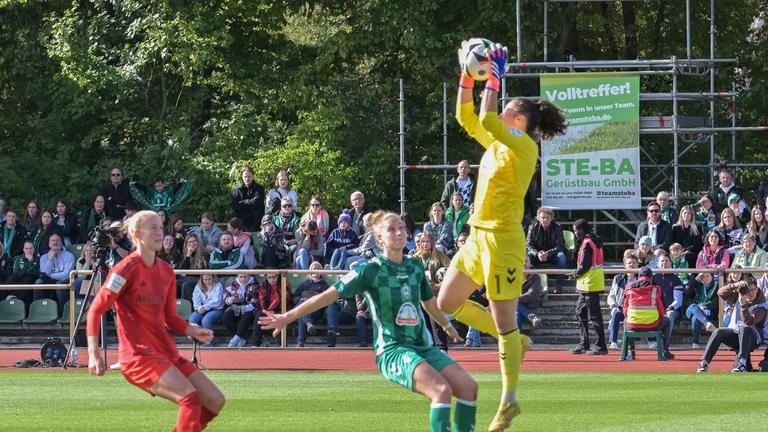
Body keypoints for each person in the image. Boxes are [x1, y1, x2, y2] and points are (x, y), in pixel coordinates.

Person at [437, 42, 566, 432]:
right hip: (477, 237)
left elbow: (488, 119)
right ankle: (514, 343)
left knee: (504, 319)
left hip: (505, 241)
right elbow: (465, 116)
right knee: (448, 302)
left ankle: (509, 400)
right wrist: (466, 73)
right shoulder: (497, 143)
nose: (501, 108)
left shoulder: (524, 146)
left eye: (508, 107)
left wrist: (493, 76)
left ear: (521, 121)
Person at [259, 211, 477, 432]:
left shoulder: (414, 265)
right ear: (379, 237)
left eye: (402, 227)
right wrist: (286, 317)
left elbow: (428, 302)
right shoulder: (369, 270)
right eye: (392, 229)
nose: (399, 232)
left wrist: (448, 326)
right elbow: (327, 296)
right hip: (393, 350)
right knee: (441, 390)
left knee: (469, 388)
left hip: (423, 347)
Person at [86, 210, 225, 430]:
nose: (160, 232)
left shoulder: (166, 271)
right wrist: (93, 354)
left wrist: (190, 329)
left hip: (165, 353)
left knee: (215, 401)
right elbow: (95, 310)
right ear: (137, 233)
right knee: (190, 399)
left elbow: (170, 317)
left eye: (161, 227)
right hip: (138, 357)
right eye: (153, 228)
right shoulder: (124, 269)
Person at [697, 277, 765, 372]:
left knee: (744, 328)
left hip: (754, 338)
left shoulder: (762, 305)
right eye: (748, 290)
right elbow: (720, 293)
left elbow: (748, 322)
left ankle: (742, 363)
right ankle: (704, 363)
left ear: (757, 289)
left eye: (753, 289)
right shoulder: (739, 296)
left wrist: (742, 304)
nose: (751, 293)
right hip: (737, 334)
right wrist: (734, 285)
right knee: (718, 331)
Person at [568, 219, 608, 355]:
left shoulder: (586, 243)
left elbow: (584, 265)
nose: (575, 233)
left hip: (589, 284)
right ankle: (585, 343)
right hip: (590, 283)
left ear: (581, 230)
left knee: (594, 316)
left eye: (575, 230)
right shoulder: (594, 240)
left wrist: (573, 274)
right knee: (581, 312)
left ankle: (600, 346)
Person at [622, 267, 675, 360]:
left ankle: (631, 353)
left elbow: (625, 311)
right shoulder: (656, 288)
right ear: (651, 277)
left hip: (633, 325)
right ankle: (665, 351)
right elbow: (662, 311)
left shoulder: (629, 289)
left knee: (625, 321)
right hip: (653, 324)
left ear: (638, 276)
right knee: (667, 320)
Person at [526, 207, 568, 294]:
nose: (545, 220)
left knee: (562, 256)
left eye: (547, 217)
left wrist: (547, 253)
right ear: (538, 218)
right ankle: (527, 284)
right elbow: (529, 245)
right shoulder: (532, 228)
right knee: (527, 257)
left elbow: (560, 246)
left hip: (553, 255)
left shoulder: (557, 227)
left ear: (551, 218)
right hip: (537, 255)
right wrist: (538, 254)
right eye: (542, 217)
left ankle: (559, 285)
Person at [33, 233, 75, 314]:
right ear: (49, 244)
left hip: (64, 280)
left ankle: (64, 313)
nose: (55, 243)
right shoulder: (44, 257)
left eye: (57, 240)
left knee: (59, 285)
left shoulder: (69, 256)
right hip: (49, 280)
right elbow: (44, 274)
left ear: (62, 243)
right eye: (52, 241)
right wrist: (50, 260)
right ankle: (37, 312)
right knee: (38, 283)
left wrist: (51, 275)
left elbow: (66, 275)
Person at [292, 262, 330, 347]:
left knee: (302, 313)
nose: (316, 270)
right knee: (302, 307)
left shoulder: (325, 285)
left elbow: (327, 299)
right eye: (314, 268)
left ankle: (301, 342)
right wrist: (301, 300)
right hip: (303, 306)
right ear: (310, 271)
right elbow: (295, 297)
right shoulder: (304, 284)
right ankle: (309, 324)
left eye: (318, 269)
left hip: (316, 310)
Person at [607, 253, 639, 350]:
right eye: (629, 263)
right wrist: (613, 306)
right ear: (625, 265)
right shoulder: (618, 278)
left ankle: (650, 341)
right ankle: (613, 342)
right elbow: (611, 295)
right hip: (621, 307)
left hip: (636, 309)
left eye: (634, 263)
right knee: (616, 315)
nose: (631, 265)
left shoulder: (641, 279)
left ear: (638, 265)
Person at [249, 273, 285, 347]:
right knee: (259, 314)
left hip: (281, 308)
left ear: (277, 276)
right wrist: (268, 310)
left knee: (282, 315)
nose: (271, 279)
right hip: (267, 309)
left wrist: (274, 310)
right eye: (269, 277)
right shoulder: (263, 286)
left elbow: (286, 300)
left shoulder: (284, 284)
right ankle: (255, 343)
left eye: (273, 277)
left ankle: (282, 343)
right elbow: (262, 301)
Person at [223, 273, 259, 348]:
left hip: (249, 307)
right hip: (236, 306)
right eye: (240, 277)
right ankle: (241, 338)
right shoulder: (233, 283)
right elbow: (225, 296)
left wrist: (247, 308)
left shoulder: (255, 284)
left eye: (245, 277)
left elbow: (257, 300)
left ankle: (235, 339)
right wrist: (230, 300)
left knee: (247, 316)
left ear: (249, 276)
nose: (242, 279)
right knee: (226, 316)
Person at [685, 271, 719, 349]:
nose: (705, 278)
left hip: (707, 310)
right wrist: (696, 279)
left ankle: (695, 342)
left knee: (696, 318)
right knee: (693, 306)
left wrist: (705, 306)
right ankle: (706, 323)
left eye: (707, 276)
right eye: (703, 277)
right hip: (691, 310)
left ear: (712, 276)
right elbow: (687, 291)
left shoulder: (717, 286)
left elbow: (717, 301)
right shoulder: (698, 284)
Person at [653, 254, 685, 331]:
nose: (664, 262)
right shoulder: (653, 279)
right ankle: (653, 340)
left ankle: (665, 341)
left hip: (672, 310)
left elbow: (678, 300)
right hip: (656, 309)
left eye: (666, 261)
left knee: (669, 314)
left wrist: (670, 308)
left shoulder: (675, 279)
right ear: (657, 264)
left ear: (670, 263)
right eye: (662, 261)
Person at [231, 166, 265, 232]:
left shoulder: (259, 188)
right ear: (242, 177)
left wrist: (242, 202)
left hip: (256, 222)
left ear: (253, 176)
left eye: (249, 176)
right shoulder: (237, 190)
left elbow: (257, 202)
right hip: (241, 223)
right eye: (245, 177)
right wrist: (250, 203)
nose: (247, 178)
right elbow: (234, 206)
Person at [5, 241, 38, 305]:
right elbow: (15, 273)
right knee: (24, 276)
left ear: (34, 249)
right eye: (27, 248)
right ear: (23, 249)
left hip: (32, 281)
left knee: (29, 276)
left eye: (31, 248)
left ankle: (15, 297)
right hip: (19, 281)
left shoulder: (37, 259)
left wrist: (30, 261)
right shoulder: (18, 259)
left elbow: (36, 273)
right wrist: (27, 272)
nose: (29, 250)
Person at [177, 234, 208, 302]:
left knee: (186, 285)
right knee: (176, 283)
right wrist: (188, 255)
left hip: (200, 279)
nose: (192, 244)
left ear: (198, 242)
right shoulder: (186, 255)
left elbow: (203, 270)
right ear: (186, 244)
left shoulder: (205, 254)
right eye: (189, 242)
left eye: (194, 241)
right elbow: (182, 272)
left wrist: (188, 274)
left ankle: (186, 308)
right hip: (187, 278)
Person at [517, 256, 542, 330]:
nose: (524, 263)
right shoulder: (513, 275)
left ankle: (516, 339)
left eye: (526, 261)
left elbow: (532, 295)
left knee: (515, 306)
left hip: (530, 306)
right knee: (516, 315)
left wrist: (514, 299)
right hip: (514, 307)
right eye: (522, 261)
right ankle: (531, 317)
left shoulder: (535, 277)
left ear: (530, 263)